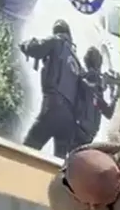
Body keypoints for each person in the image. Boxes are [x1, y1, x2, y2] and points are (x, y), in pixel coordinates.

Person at [21, 19, 82, 158]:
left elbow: (36, 48)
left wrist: (24, 45)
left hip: (53, 106)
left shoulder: (56, 41)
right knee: (58, 163)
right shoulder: (77, 62)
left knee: (27, 151)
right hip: (69, 119)